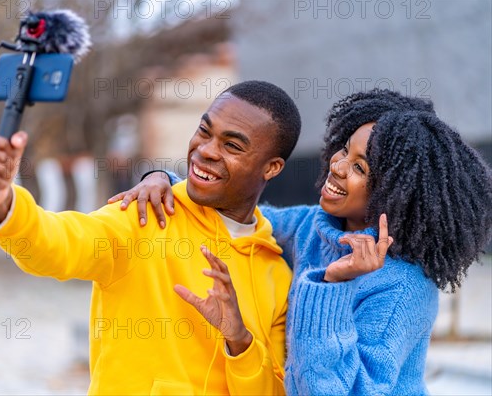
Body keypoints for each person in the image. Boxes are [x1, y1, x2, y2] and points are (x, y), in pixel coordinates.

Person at [110, 89, 492, 394]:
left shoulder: (402, 288)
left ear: (395, 192)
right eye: (344, 150)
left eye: (360, 167)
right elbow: (244, 214)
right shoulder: (315, 226)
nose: (338, 166)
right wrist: (165, 181)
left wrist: (333, 284)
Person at [0, 80, 302, 394]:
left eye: (231, 145)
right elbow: (55, 244)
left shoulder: (276, 273)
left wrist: (239, 340)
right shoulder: (144, 214)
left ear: (271, 168)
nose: (206, 150)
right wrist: (6, 203)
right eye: (204, 131)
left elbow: (272, 389)